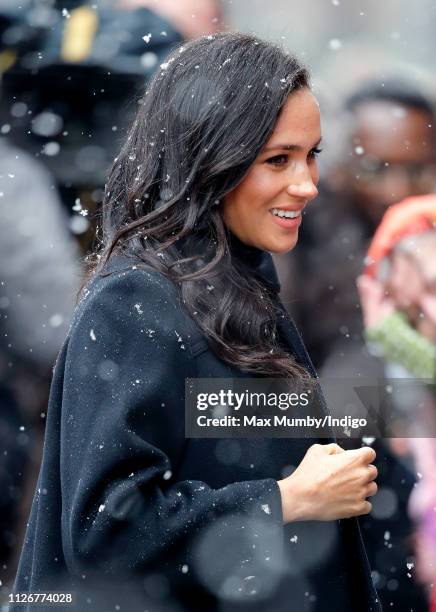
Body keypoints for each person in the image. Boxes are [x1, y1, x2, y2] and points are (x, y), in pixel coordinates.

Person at [13, 33, 380, 612]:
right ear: (211, 160)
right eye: (277, 160)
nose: (307, 184)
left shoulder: (235, 281)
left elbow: (229, 421)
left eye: (313, 155)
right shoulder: (136, 300)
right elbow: (104, 530)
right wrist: (282, 501)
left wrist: (400, 353)